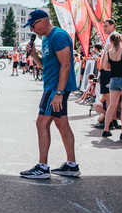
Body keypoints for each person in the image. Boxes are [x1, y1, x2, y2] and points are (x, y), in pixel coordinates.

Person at [21, 10, 79, 179]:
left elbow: (66, 65)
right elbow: (45, 66)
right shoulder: (46, 38)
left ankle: (42, 167)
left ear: (43, 21)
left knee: (41, 123)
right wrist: (34, 55)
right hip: (53, 86)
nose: (32, 29)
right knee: (62, 124)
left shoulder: (58, 36)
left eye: (33, 25)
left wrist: (59, 92)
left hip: (56, 88)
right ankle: (71, 165)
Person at [97, 19, 118, 113]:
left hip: (108, 70)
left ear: (112, 26)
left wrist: (103, 66)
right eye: (103, 26)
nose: (104, 28)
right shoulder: (111, 37)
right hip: (107, 70)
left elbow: (108, 54)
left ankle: (110, 117)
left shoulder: (113, 37)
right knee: (107, 94)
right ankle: (110, 116)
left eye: (106, 26)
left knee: (108, 94)